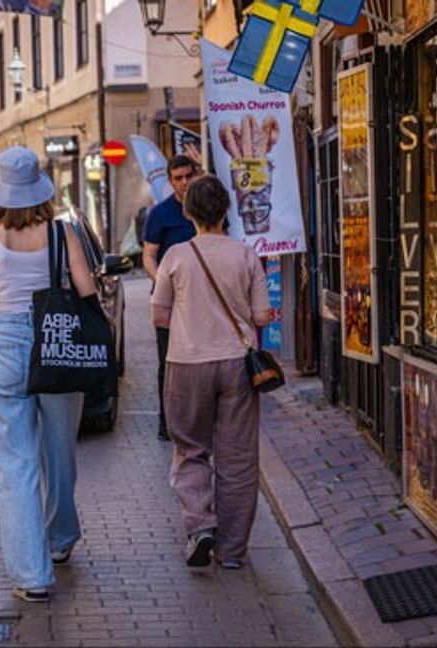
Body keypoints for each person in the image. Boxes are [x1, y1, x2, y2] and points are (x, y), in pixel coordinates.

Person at [0, 147, 97, 603]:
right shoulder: (63, 233)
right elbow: (87, 290)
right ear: (40, 190)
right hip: (58, 342)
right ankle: (61, 539)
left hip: (6, 346)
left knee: (14, 463)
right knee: (60, 451)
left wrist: (3, 316)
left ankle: (32, 575)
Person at [150, 175, 271, 570]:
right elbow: (260, 316)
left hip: (186, 363)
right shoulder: (245, 254)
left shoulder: (175, 256)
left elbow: (159, 314)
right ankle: (232, 551)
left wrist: (192, 321)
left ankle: (201, 526)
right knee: (237, 458)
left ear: (189, 213)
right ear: (226, 211)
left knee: (189, 448)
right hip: (238, 363)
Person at [142, 154, 200, 441]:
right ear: (170, 180)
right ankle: (167, 423)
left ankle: (199, 419)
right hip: (169, 300)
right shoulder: (160, 214)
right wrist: (164, 283)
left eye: (188, 176)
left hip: (202, 298)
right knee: (168, 362)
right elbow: (149, 257)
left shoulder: (204, 209)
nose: (184, 183)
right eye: (178, 178)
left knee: (202, 358)